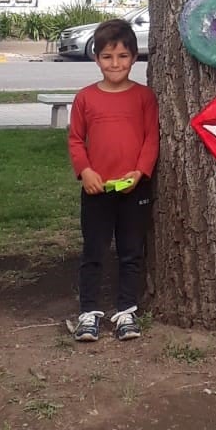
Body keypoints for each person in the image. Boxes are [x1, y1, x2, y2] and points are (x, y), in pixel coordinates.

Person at [68, 18, 159, 342]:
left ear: (134, 57)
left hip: (135, 189)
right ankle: (89, 313)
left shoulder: (145, 97)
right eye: (107, 56)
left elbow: (151, 139)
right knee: (93, 251)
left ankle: (125, 312)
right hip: (97, 189)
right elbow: (76, 140)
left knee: (131, 252)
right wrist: (86, 171)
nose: (115, 63)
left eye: (122, 56)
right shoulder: (85, 98)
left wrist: (140, 171)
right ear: (96, 59)